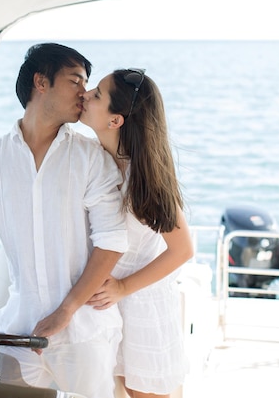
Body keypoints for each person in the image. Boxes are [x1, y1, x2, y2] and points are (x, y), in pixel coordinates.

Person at [0, 43, 128, 398]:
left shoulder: (91, 157)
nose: (84, 92)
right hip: (19, 330)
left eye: (87, 83)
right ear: (41, 82)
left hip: (85, 329)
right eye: (75, 80)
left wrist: (67, 310)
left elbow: (112, 240)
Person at [80, 68, 194, 398]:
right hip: (100, 302)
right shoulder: (89, 159)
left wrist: (122, 288)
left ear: (115, 120)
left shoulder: (143, 179)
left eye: (97, 94)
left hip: (139, 301)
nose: (86, 95)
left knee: (141, 392)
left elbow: (182, 250)